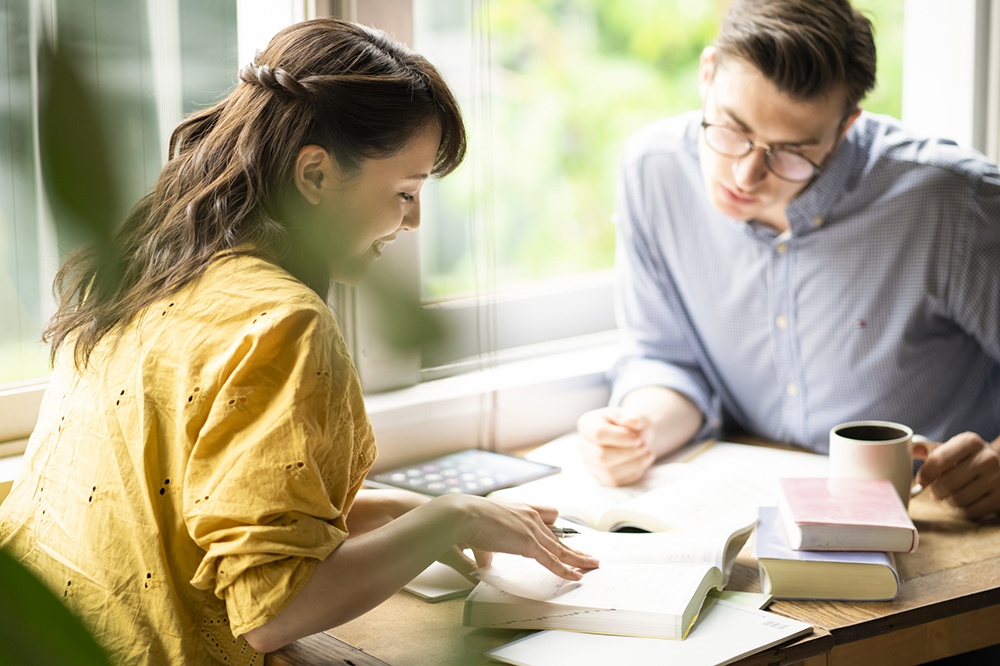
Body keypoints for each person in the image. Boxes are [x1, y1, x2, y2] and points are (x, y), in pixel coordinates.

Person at [0, 19, 597, 666]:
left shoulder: (150, 274)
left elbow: (186, 506)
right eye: (404, 192)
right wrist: (447, 520)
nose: (413, 220)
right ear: (315, 175)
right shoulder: (283, 322)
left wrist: (394, 510)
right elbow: (274, 611)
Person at [577, 0, 1000, 518]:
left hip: (937, 515)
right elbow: (667, 358)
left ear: (846, 127)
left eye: (792, 153)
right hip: (754, 506)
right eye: (731, 130)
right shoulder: (653, 171)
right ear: (707, 74)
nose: (745, 175)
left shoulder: (956, 202)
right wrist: (637, 430)